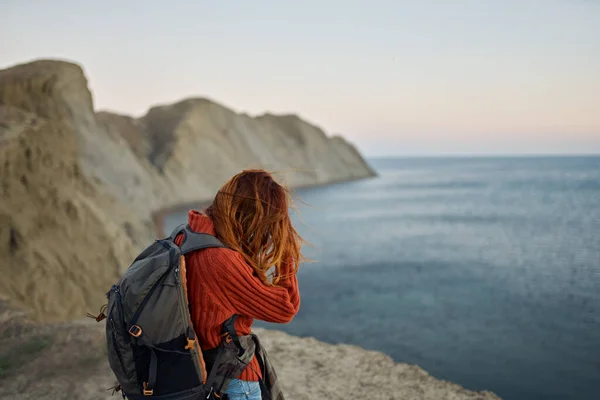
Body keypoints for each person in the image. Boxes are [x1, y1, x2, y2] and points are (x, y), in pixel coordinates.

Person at [175, 169, 305, 400]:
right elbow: (285, 309)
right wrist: (286, 249)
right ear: (249, 217)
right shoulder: (219, 259)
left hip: (197, 370)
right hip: (231, 380)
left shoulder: (187, 234)